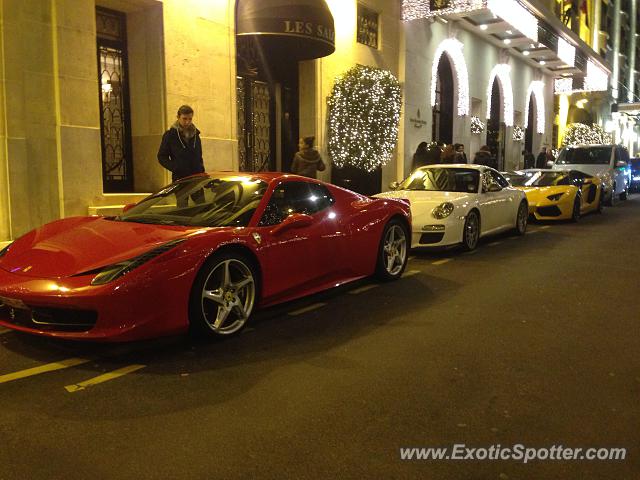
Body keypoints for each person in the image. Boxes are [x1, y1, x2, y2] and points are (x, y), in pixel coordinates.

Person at [158, 105, 205, 182]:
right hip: (180, 179)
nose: (187, 122)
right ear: (178, 117)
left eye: (190, 119)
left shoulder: (196, 135)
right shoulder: (170, 135)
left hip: (196, 178)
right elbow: (161, 157)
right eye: (184, 119)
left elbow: (199, 157)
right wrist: (175, 167)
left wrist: (202, 172)